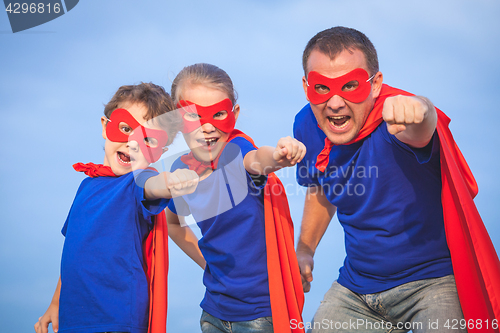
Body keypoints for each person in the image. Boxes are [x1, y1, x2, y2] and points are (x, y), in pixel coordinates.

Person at [294, 26, 500, 333]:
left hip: (432, 284)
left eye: (350, 85)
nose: (335, 103)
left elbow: (424, 128)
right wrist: (305, 249)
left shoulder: (397, 118)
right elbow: (322, 186)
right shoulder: (308, 124)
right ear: (305, 86)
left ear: (376, 84)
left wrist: (421, 109)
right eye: (322, 88)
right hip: (357, 290)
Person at [34, 82, 200, 333]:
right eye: (125, 128)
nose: (132, 144)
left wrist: (171, 182)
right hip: (73, 318)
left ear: (158, 153)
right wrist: (55, 303)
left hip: (118, 318)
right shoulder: (85, 187)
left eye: (147, 140)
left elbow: (155, 185)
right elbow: (73, 250)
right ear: (104, 126)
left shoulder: (137, 182)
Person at [167, 63, 306, 333]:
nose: (207, 128)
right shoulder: (179, 171)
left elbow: (256, 159)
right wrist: (206, 261)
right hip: (212, 312)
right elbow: (173, 223)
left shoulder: (236, 150)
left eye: (218, 114)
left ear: (234, 114)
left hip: (259, 315)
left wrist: (278, 156)